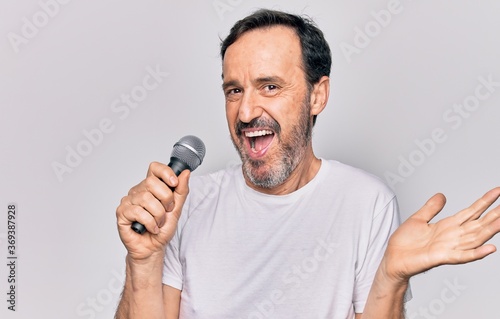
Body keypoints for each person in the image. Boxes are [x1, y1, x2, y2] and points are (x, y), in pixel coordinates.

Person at [114, 9, 500, 319]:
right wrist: (144, 262)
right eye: (234, 90)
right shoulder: (183, 204)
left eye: (270, 86)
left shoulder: (366, 203)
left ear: (318, 96)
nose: (246, 112)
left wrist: (391, 279)